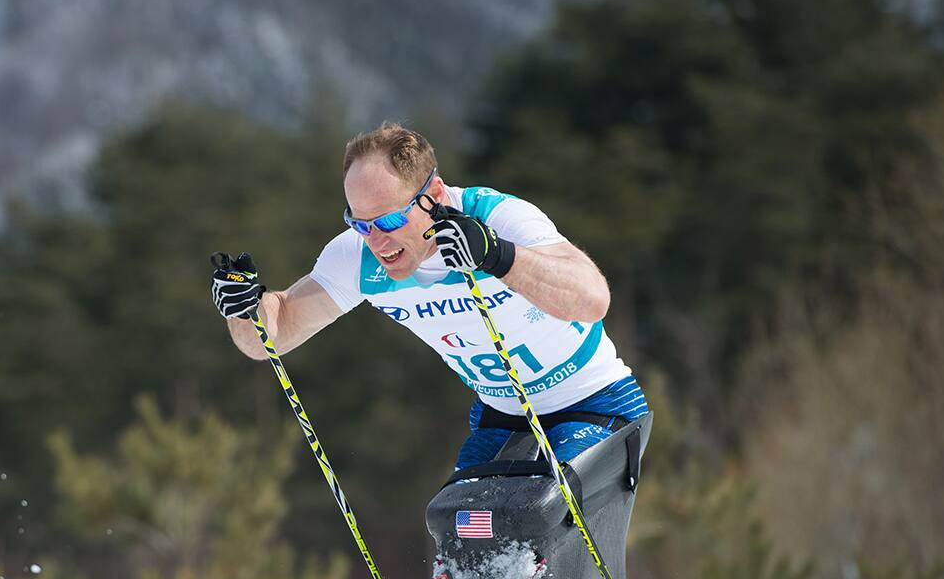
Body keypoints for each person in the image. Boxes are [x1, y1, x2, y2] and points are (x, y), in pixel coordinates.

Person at [210, 122, 648, 469]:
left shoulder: (496, 217)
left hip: (597, 403)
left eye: (389, 220)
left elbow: (592, 300)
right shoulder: (358, 256)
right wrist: (245, 307)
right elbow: (273, 334)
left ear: (433, 195)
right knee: (463, 538)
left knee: (540, 523)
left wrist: (498, 256)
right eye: (359, 223)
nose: (376, 241)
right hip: (503, 418)